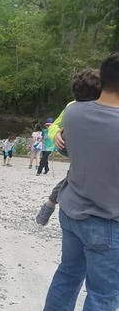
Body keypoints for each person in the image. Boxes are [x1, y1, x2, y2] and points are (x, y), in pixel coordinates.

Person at [32, 53, 119, 311]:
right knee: (102, 296)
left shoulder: (74, 112)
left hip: (71, 211)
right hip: (107, 222)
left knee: (67, 277)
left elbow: (63, 140)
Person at [35, 69, 101, 226]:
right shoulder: (71, 107)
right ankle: (51, 205)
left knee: (72, 177)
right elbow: (54, 125)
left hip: (91, 151)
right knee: (74, 176)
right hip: (79, 150)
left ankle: (50, 204)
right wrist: (55, 133)